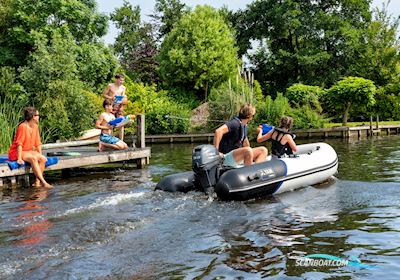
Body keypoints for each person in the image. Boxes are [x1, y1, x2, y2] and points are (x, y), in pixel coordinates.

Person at [8, 107, 53, 188]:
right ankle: (44, 182)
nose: (39, 117)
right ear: (33, 116)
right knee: (33, 159)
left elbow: (38, 143)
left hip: (27, 151)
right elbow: (19, 144)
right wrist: (19, 158)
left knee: (43, 159)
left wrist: (40, 156)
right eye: (38, 115)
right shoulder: (22, 126)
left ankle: (37, 182)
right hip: (16, 152)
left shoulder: (35, 126)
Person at [102, 73, 128, 141]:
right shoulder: (110, 86)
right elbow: (104, 95)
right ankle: (110, 140)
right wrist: (111, 97)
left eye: (123, 80)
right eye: (120, 80)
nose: (121, 82)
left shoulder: (123, 87)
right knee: (111, 124)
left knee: (121, 123)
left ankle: (121, 140)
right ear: (116, 79)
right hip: (111, 106)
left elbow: (123, 96)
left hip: (119, 106)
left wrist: (123, 100)